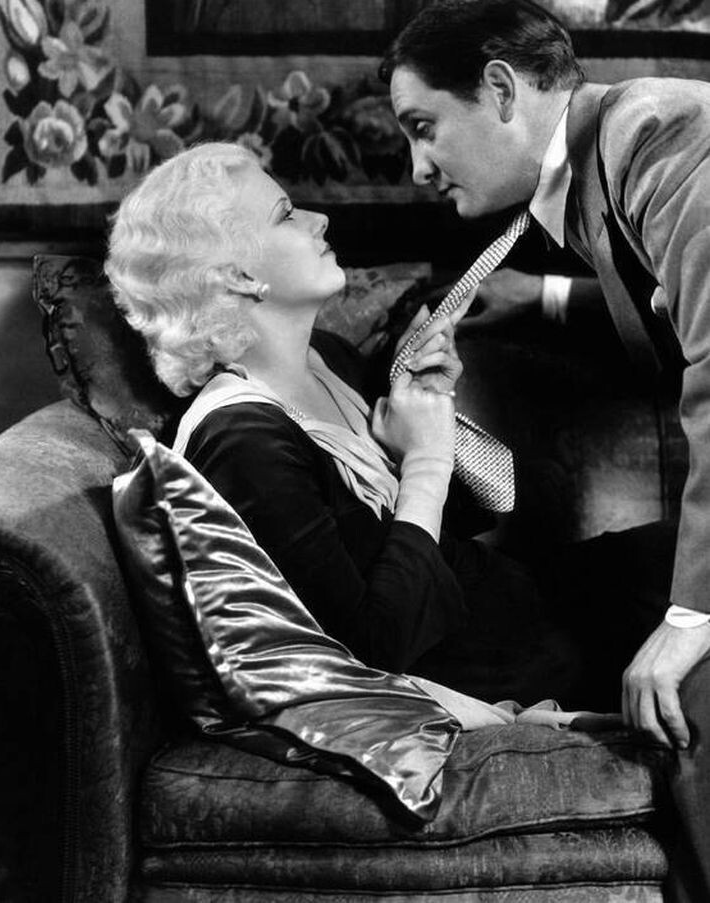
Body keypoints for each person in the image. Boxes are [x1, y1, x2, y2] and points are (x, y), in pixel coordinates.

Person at [380, 1, 709, 897]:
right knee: (578, 597)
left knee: (688, 691)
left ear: (498, 90)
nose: (417, 168)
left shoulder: (658, 136)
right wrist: (547, 298)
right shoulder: (600, 164)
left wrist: (691, 619)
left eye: (423, 127)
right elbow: (679, 293)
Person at [105, 139, 594, 708]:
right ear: (237, 276)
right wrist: (426, 461)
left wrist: (425, 405)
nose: (319, 219)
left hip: (529, 605)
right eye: (287, 214)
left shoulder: (329, 359)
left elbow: (457, 532)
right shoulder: (243, 442)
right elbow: (371, 649)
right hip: (506, 668)